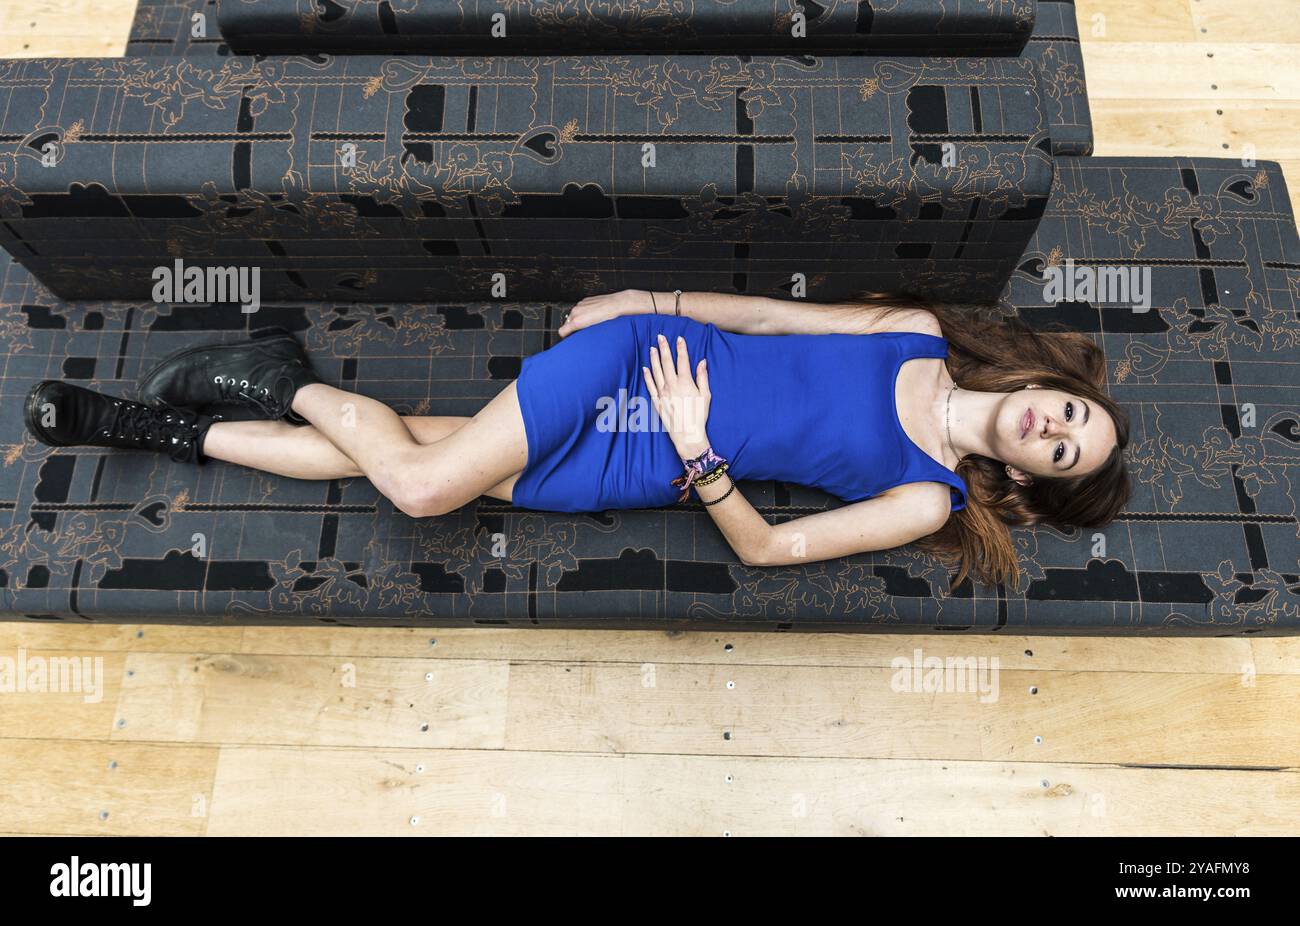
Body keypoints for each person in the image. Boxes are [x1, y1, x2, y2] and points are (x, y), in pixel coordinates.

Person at [23, 289, 1129, 587]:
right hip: (641, 362)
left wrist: (698, 452)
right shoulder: (917, 335)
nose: (1054, 427)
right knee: (418, 487)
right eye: (1073, 410)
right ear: (1047, 382)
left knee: (408, 453)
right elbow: (766, 319)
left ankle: (163, 422)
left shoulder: (928, 494)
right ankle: (274, 378)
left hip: (653, 455)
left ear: (1031, 477)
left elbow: (765, 550)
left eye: (1064, 451)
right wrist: (644, 295)